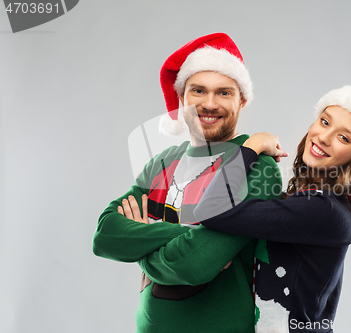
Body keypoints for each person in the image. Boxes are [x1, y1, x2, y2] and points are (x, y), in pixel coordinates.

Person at [194, 85, 351, 332]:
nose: (324, 137)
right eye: (324, 122)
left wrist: (252, 147)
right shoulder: (319, 202)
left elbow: (209, 211)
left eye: (344, 138)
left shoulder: (322, 210)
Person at [92, 33, 282, 333]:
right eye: (198, 91)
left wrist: (140, 243)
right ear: (182, 98)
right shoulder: (163, 162)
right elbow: (105, 236)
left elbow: (195, 264)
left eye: (224, 93)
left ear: (242, 101)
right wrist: (188, 235)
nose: (209, 104)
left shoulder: (257, 166)